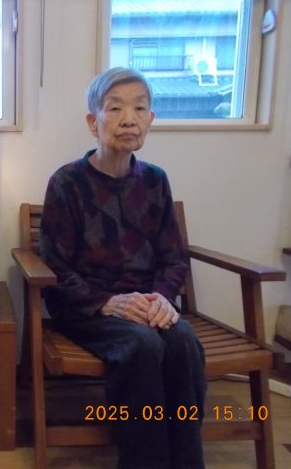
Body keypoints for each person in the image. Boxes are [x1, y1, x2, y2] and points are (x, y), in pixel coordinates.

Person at [39, 67, 206, 469]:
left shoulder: (155, 181)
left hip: (147, 304)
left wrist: (163, 298)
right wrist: (108, 302)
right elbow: (56, 267)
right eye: (115, 108)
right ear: (92, 122)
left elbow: (173, 257)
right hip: (88, 309)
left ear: (151, 119)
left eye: (139, 108)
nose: (129, 119)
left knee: (183, 341)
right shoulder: (67, 183)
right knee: (143, 345)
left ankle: (186, 462)